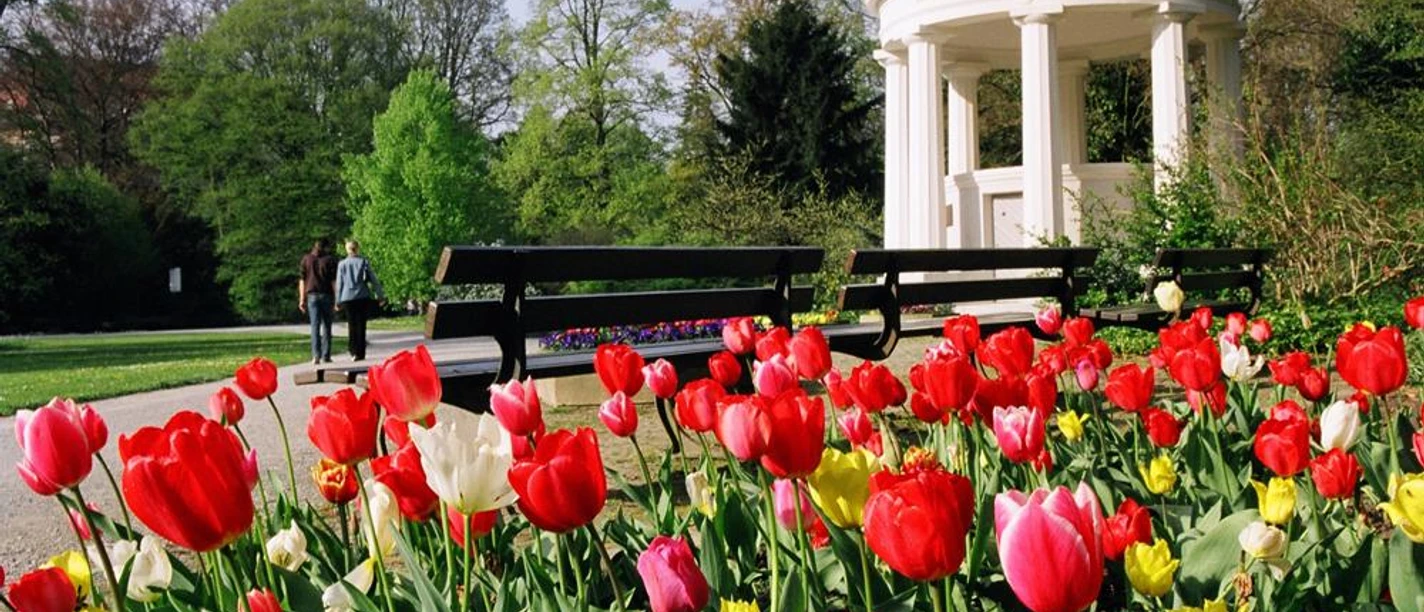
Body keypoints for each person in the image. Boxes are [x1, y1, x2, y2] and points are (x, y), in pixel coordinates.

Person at [335, 239, 384, 361]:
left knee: (352, 324)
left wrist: (337, 300)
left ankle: (353, 350)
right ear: (357, 249)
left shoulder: (342, 264)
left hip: (347, 297)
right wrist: (380, 295)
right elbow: (374, 280)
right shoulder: (363, 262)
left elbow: (339, 284)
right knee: (361, 324)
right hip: (362, 295)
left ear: (347, 249)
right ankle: (361, 352)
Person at [298, 238, 337, 364]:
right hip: (326, 295)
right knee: (327, 326)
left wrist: (301, 299)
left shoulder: (306, 259)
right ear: (325, 247)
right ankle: (326, 355)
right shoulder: (329, 260)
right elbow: (333, 282)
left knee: (315, 326)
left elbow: (302, 280)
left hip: (312, 295)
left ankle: (316, 355)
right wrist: (337, 298)